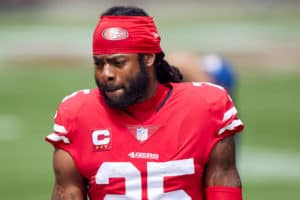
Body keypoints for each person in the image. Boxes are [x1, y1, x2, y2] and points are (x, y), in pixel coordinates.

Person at [46, 6, 244, 200]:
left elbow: (222, 182)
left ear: (148, 58)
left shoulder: (206, 106)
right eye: (99, 63)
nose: (106, 74)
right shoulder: (77, 114)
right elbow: (67, 191)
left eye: (118, 63)